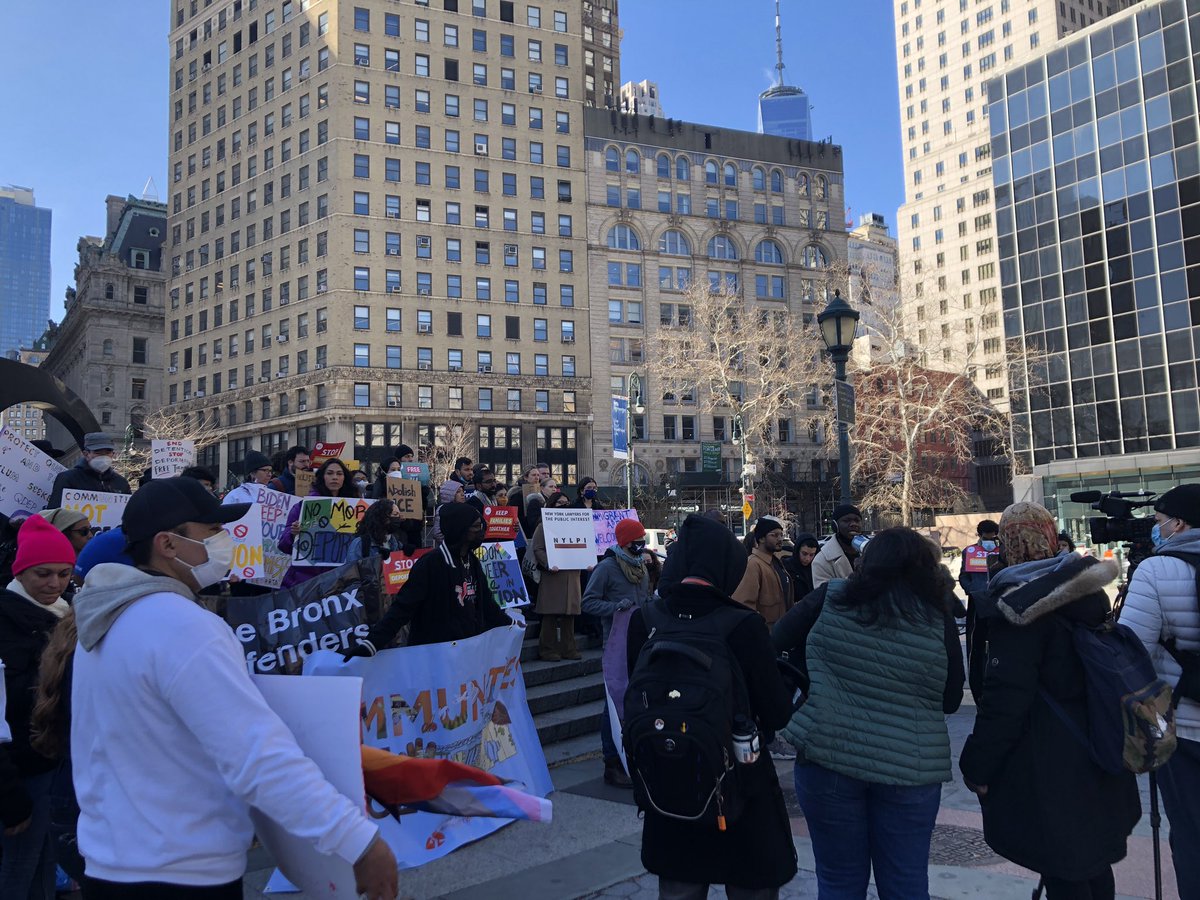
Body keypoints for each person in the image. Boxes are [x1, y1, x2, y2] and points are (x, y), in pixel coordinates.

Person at [69, 477, 397, 898]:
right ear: (168, 545)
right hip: (180, 870)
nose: (225, 541)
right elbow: (257, 754)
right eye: (212, 533)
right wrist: (357, 841)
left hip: (114, 861)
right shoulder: (183, 626)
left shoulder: (105, 620)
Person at [959, 502, 1138, 899]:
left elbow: (1005, 700)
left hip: (1050, 764)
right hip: (1099, 749)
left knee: (1065, 872)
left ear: (1006, 544)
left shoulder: (1020, 607)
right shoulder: (1086, 592)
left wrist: (977, 765)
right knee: (1091, 865)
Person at [774, 528, 964, 898]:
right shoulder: (936, 613)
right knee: (906, 882)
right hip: (910, 766)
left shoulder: (831, 597)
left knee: (838, 881)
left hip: (827, 755)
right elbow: (951, 699)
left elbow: (773, 643)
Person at [626, 513, 796, 899]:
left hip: (667, 779)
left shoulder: (646, 620)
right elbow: (776, 712)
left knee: (679, 886)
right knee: (750, 883)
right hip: (738, 783)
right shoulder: (742, 624)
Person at [1121, 483, 1200, 898]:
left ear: (1179, 522)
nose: (1156, 528)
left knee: (1191, 834)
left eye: (1158, 521)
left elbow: (1132, 649)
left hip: (1184, 726)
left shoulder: (1156, 569)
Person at [0, 515, 76, 899]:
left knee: (43, 866)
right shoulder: (5, 620)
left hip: (53, 765)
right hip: (19, 772)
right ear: (21, 572)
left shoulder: (67, 613)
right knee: (16, 871)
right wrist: (9, 793)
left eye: (64, 573)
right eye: (43, 573)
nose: (54, 584)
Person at [344, 504, 510, 654]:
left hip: (466, 653)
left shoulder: (471, 560)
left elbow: (487, 604)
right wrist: (371, 645)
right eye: (476, 527)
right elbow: (402, 608)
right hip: (433, 656)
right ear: (459, 530)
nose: (481, 532)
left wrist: (510, 625)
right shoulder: (431, 564)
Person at [581, 519, 652, 787]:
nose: (642, 544)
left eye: (643, 538)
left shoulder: (641, 567)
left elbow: (645, 597)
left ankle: (632, 755)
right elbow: (588, 602)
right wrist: (614, 608)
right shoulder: (607, 568)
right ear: (624, 542)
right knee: (611, 704)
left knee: (634, 700)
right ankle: (611, 762)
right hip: (614, 643)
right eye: (637, 540)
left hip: (639, 641)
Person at [278, 459, 360, 588]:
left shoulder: (355, 508)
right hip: (304, 582)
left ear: (345, 478)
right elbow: (283, 545)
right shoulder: (302, 506)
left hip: (341, 581)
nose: (334, 477)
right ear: (322, 477)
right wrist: (293, 534)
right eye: (330, 473)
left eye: (339, 474)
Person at [529, 491, 584, 661]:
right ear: (551, 505)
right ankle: (547, 649)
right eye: (560, 503)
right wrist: (549, 563)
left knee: (570, 613)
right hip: (553, 574)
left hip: (572, 573)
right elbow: (537, 548)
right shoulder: (543, 525)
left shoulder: (576, 525)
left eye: (566, 502)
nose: (564, 505)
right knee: (550, 613)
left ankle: (569, 648)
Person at [959, 519, 1001, 700]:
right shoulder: (969, 551)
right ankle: (977, 682)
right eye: (986, 536)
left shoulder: (1003, 551)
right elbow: (963, 576)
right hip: (977, 602)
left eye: (993, 536)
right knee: (975, 644)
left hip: (999, 601)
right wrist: (971, 590)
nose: (990, 540)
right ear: (980, 535)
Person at [732, 517, 791, 626]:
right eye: (774, 535)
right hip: (765, 635)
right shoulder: (753, 565)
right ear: (761, 539)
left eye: (781, 535)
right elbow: (743, 604)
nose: (780, 539)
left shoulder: (776, 562)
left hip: (782, 633)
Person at [47, 434, 131, 507]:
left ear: (113, 454)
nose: (103, 457)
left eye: (107, 452)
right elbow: (55, 512)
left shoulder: (121, 482)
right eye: (98, 452)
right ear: (86, 454)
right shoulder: (68, 478)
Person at [811, 504, 863, 588]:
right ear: (835, 526)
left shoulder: (870, 552)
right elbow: (825, 596)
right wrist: (856, 577)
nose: (854, 524)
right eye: (847, 520)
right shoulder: (821, 560)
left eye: (857, 520)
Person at [347, 499, 411, 565]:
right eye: (395, 514)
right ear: (383, 518)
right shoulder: (360, 544)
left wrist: (407, 555)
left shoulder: (395, 543)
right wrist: (379, 560)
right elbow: (351, 572)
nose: (400, 518)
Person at [430, 481, 467, 545]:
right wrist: (451, 544)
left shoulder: (465, 508)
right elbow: (437, 533)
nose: (462, 494)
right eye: (458, 492)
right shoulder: (442, 509)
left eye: (462, 491)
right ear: (450, 494)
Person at [784, 533, 819, 602]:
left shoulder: (818, 568)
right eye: (804, 554)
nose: (807, 559)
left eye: (811, 555)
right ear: (797, 551)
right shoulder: (786, 567)